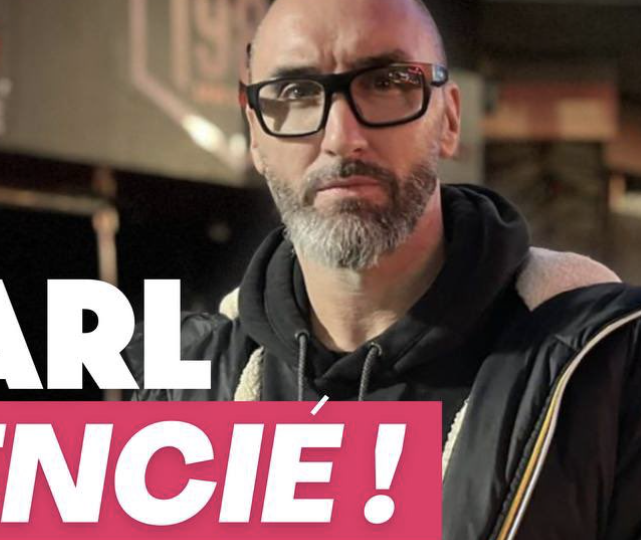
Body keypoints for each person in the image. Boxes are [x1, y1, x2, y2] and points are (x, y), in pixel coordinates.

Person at [123, 0, 641, 538]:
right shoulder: (185, 386)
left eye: (386, 82)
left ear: (449, 118)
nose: (341, 137)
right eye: (296, 93)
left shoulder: (610, 362)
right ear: (256, 132)